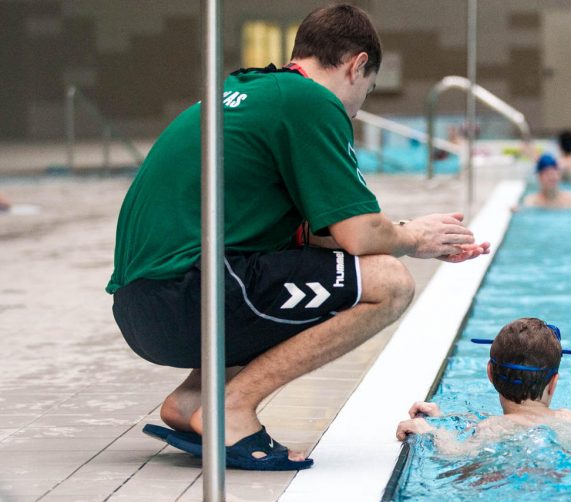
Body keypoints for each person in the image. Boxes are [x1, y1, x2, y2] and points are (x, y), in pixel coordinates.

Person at [107, 4, 490, 471]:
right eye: (366, 92)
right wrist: (412, 239)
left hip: (143, 307)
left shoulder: (243, 90)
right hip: (187, 299)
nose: (357, 107)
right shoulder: (310, 101)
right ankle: (229, 408)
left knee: (292, 261)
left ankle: (192, 400)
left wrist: (416, 235)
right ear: (357, 65)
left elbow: (321, 242)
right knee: (390, 283)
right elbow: (360, 234)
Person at [396, 318, 571, 455]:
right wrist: (440, 418)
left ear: (490, 374)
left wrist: (430, 431)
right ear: (554, 383)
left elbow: (454, 454)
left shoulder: (492, 427)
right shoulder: (569, 419)